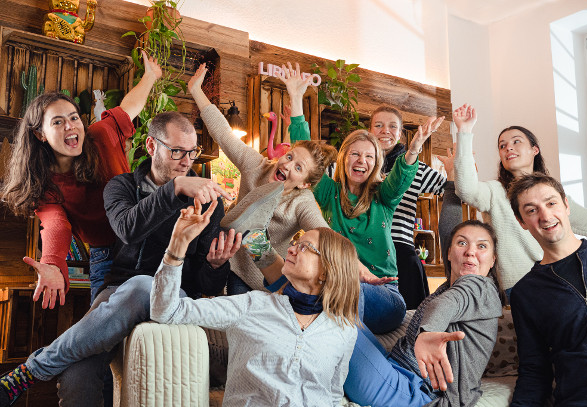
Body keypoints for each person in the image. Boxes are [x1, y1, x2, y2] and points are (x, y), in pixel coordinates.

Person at [0, 111, 239, 407]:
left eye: (192, 152)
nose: (187, 161)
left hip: (173, 293)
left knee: (143, 285)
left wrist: (217, 265)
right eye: (177, 151)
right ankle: (30, 375)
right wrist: (174, 190)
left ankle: (31, 370)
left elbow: (208, 286)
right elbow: (127, 229)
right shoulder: (120, 187)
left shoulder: (210, 203)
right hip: (118, 290)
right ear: (152, 146)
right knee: (77, 373)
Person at [150, 197, 361, 406]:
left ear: (327, 270)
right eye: (295, 242)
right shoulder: (252, 306)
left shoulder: (344, 331)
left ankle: (251, 233)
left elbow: (333, 395)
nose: (290, 247)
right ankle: (251, 233)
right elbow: (167, 310)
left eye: (305, 247)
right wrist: (178, 244)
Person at [0, 52, 162, 305]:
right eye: (57, 122)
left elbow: (130, 106)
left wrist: (150, 77)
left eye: (74, 117)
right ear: (40, 134)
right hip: (106, 254)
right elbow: (56, 224)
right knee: (103, 324)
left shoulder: (100, 135)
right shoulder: (43, 184)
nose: (70, 126)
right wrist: (52, 263)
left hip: (145, 241)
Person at [188, 63, 343, 294]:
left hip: (267, 278)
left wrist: (352, 264)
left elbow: (321, 232)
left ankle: (253, 233)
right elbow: (223, 133)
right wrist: (196, 91)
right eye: (289, 156)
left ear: (304, 184)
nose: (287, 164)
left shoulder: (302, 200)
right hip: (231, 266)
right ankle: (249, 232)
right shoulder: (257, 166)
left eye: (298, 167)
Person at [343, 220, 505, 407]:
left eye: (482, 246)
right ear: (449, 253)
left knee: (332, 320)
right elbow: (447, 221)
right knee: (343, 298)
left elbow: (448, 303)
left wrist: (427, 332)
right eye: (462, 243)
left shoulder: (481, 288)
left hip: (415, 392)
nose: (470, 251)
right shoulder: (450, 285)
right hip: (394, 368)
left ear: (493, 259)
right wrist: (451, 189)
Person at [453, 103, 587, 291]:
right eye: (502, 146)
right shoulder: (495, 192)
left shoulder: (553, 195)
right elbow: (466, 189)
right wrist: (464, 130)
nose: (508, 148)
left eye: (516, 142)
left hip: (560, 282)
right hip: (519, 287)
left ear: (534, 150)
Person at [313, 115, 443, 334]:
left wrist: (413, 149)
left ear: (375, 164)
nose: (361, 160)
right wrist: (297, 99)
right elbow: (308, 160)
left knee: (349, 290)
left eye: (369, 156)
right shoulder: (328, 194)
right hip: (337, 288)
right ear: (343, 158)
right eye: (355, 154)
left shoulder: (383, 198)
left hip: (385, 296)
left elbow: (400, 178)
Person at [507, 173, 587, 406]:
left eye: (551, 203)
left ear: (566, 205)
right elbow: (534, 370)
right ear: (521, 221)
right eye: (531, 210)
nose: (545, 216)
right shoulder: (526, 292)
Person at [369, 104, 446, 309]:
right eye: (378, 125)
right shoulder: (359, 165)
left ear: (401, 133)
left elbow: (449, 189)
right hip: (363, 252)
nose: (385, 130)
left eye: (393, 126)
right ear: (369, 131)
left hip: (401, 253)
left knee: (410, 323)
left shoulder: (417, 169)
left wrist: (456, 167)